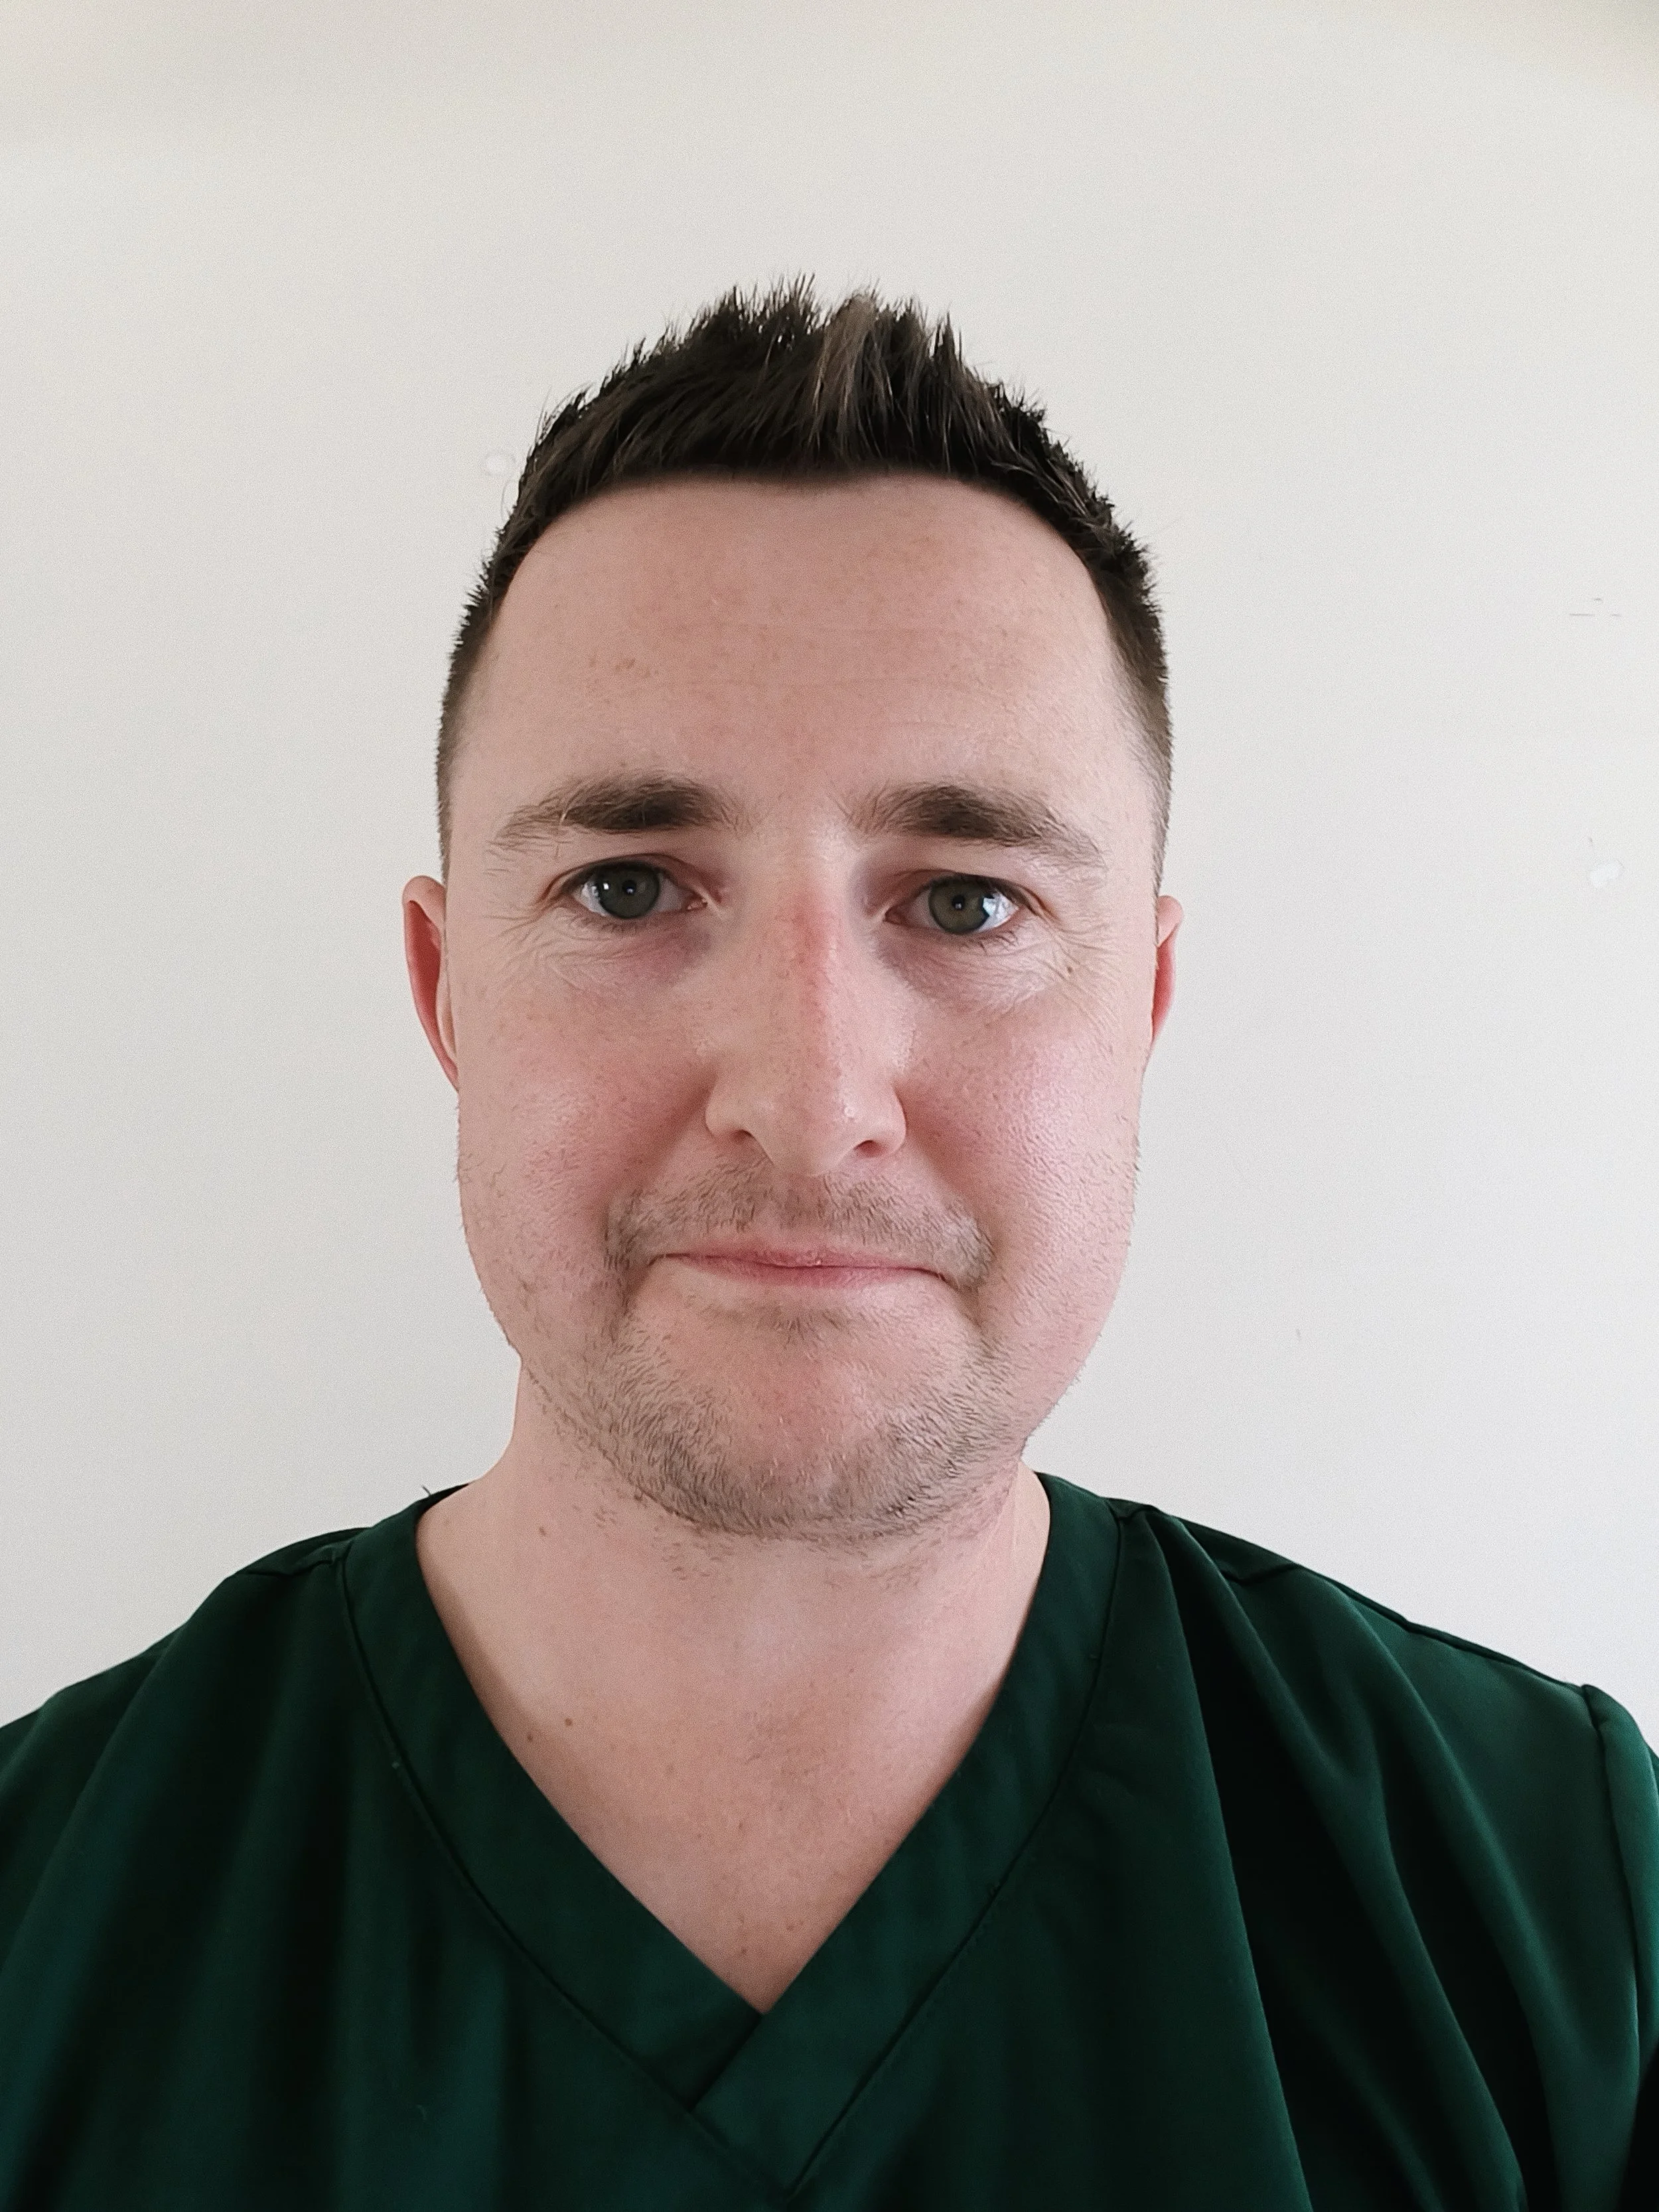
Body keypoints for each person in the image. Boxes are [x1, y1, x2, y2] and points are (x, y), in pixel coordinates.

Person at [0, 282, 1652, 2211]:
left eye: (962, 900)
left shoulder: (1560, 1909)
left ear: (1142, 1003)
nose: (804, 1092)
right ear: (450, 995)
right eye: (626, 887)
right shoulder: (37, 1929)